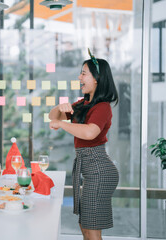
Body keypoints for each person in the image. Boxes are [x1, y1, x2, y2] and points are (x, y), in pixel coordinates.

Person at [48, 49, 119, 240]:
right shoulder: (84, 104)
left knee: (91, 229)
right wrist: (60, 107)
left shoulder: (102, 107)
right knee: (85, 226)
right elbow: (52, 116)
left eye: (84, 73)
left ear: (97, 78)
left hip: (99, 171)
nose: (79, 77)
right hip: (91, 170)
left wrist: (63, 123)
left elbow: (89, 132)